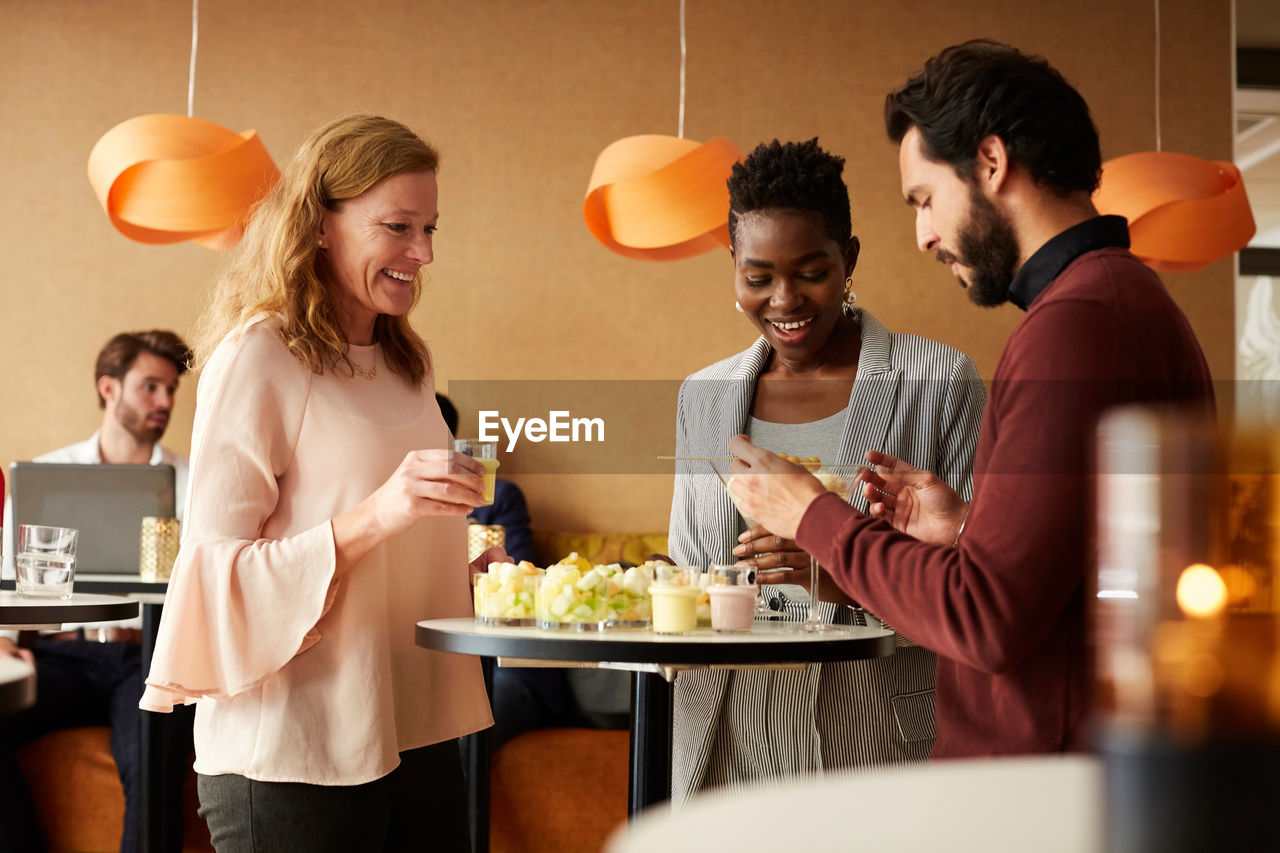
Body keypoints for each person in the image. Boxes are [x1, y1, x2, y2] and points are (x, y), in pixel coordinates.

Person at [727, 40, 1215, 760]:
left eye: (925, 200)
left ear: (990, 162)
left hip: (1045, 791)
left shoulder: (1077, 327)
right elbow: (1069, 579)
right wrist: (967, 529)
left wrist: (811, 515)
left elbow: (985, 619)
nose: (924, 235)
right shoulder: (1112, 302)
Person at [138, 114, 503, 851]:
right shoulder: (259, 356)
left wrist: (463, 572)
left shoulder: (408, 361)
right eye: (398, 226)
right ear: (320, 224)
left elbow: (382, 535)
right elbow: (216, 572)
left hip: (415, 728)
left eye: (431, 228)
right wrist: (380, 515)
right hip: (292, 752)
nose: (423, 252)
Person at [668, 138, 986, 805]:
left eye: (811, 270)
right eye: (758, 276)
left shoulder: (940, 382)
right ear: (733, 264)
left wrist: (844, 579)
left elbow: (977, 591)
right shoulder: (703, 396)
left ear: (850, 259)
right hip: (729, 740)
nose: (785, 299)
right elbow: (689, 568)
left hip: (878, 736)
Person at [0, 329, 195, 853]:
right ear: (109, 388)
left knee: (149, 761)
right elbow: (9, 585)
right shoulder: (46, 475)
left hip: (149, 660)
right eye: (150, 387)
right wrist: (4, 646)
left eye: (171, 388)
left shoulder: (195, 481)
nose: (165, 401)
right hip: (63, 654)